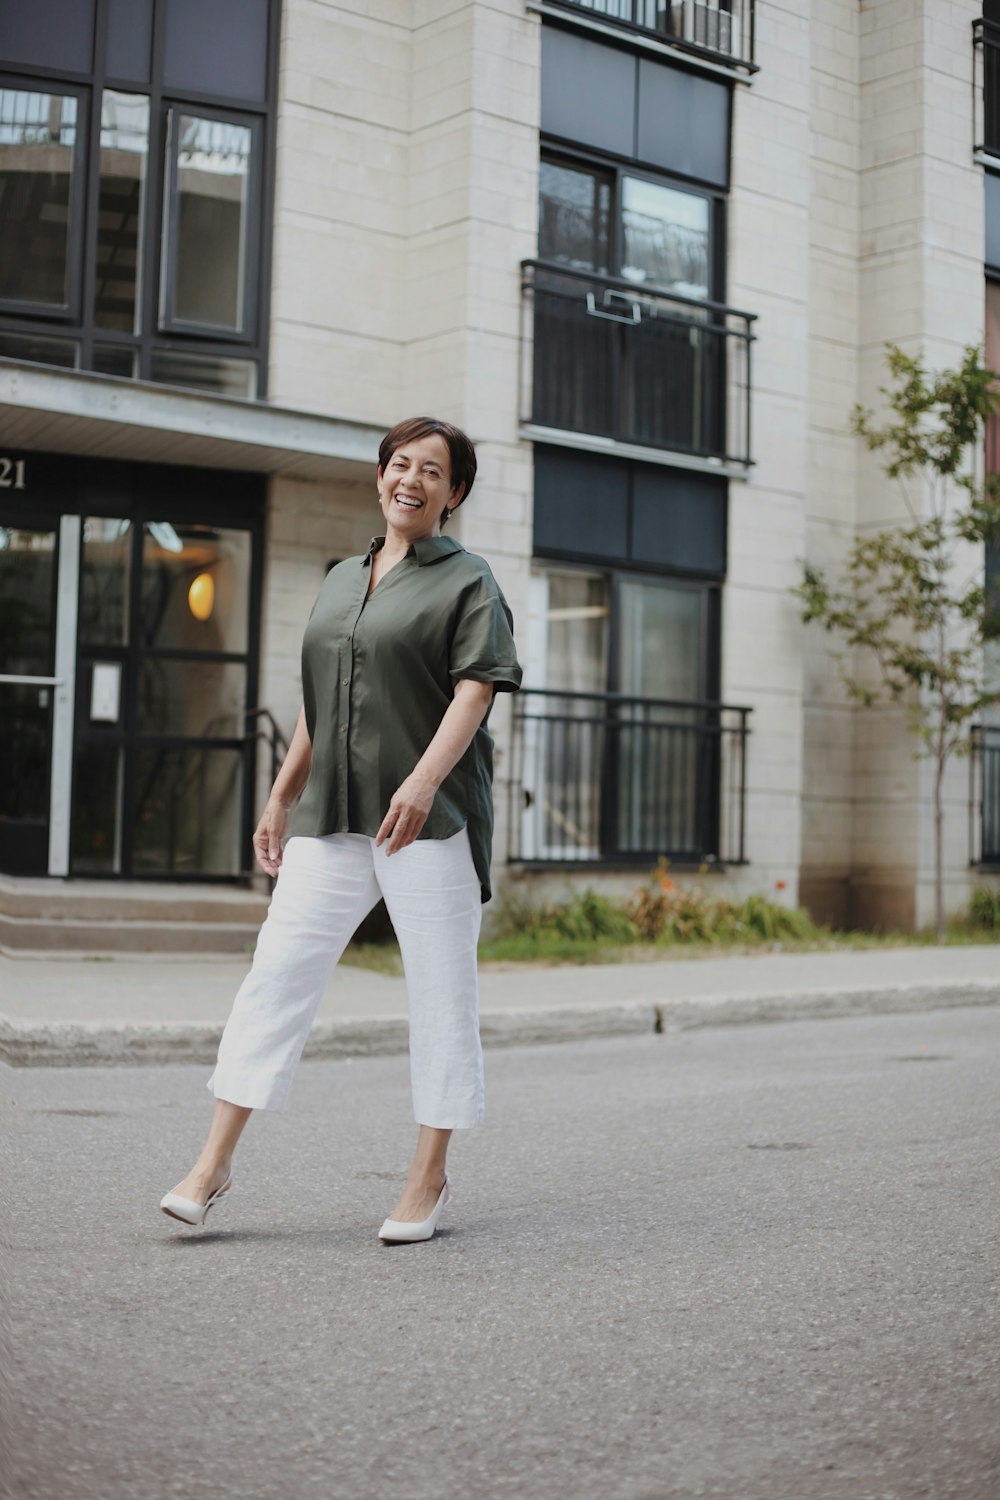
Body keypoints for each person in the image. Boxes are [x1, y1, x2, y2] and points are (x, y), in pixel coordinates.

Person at [159, 416, 522, 1243]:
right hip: (333, 814)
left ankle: (428, 1178)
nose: (412, 479)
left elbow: (476, 690)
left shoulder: (469, 581)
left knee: (439, 994)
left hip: (430, 822)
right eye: (401, 464)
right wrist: (284, 793)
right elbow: (321, 701)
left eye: (433, 471)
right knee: (277, 974)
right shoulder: (338, 579)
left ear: (453, 494)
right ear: (380, 476)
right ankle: (211, 1166)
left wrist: (425, 783)